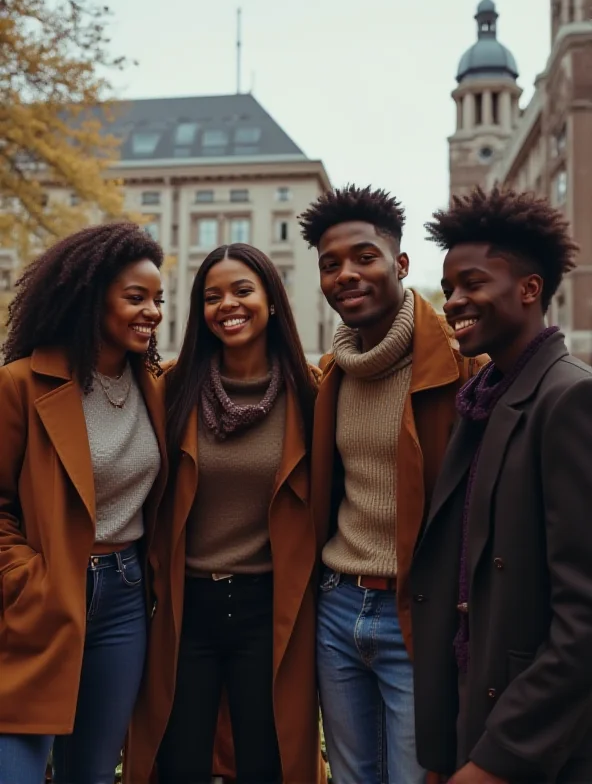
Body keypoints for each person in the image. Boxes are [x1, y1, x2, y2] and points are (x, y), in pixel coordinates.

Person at [298, 184, 485, 784]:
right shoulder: (330, 375)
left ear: (400, 265)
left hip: (419, 613)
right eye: (331, 265)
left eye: (364, 257)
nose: (346, 274)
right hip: (337, 606)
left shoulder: (463, 366)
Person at [411, 186, 592, 784]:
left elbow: (583, 616)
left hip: (534, 745)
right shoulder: (486, 400)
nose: (454, 300)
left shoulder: (568, 398)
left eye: (472, 283)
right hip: (474, 718)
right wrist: (446, 748)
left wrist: (498, 759)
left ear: (529, 289)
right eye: (450, 286)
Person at [125, 243, 325, 784]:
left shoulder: (311, 393)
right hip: (185, 608)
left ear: (272, 300)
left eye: (242, 290)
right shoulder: (170, 389)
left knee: (268, 761)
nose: (227, 305)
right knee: (179, 762)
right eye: (212, 296)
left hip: (270, 606)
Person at [0, 223, 168, 784]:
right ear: (92, 298)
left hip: (123, 599)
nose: (153, 312)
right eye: (136, 298)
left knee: (92, 774)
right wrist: (29, 579)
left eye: (159, 299)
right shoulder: (21, 384)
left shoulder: (156, 386)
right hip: (42, 598)